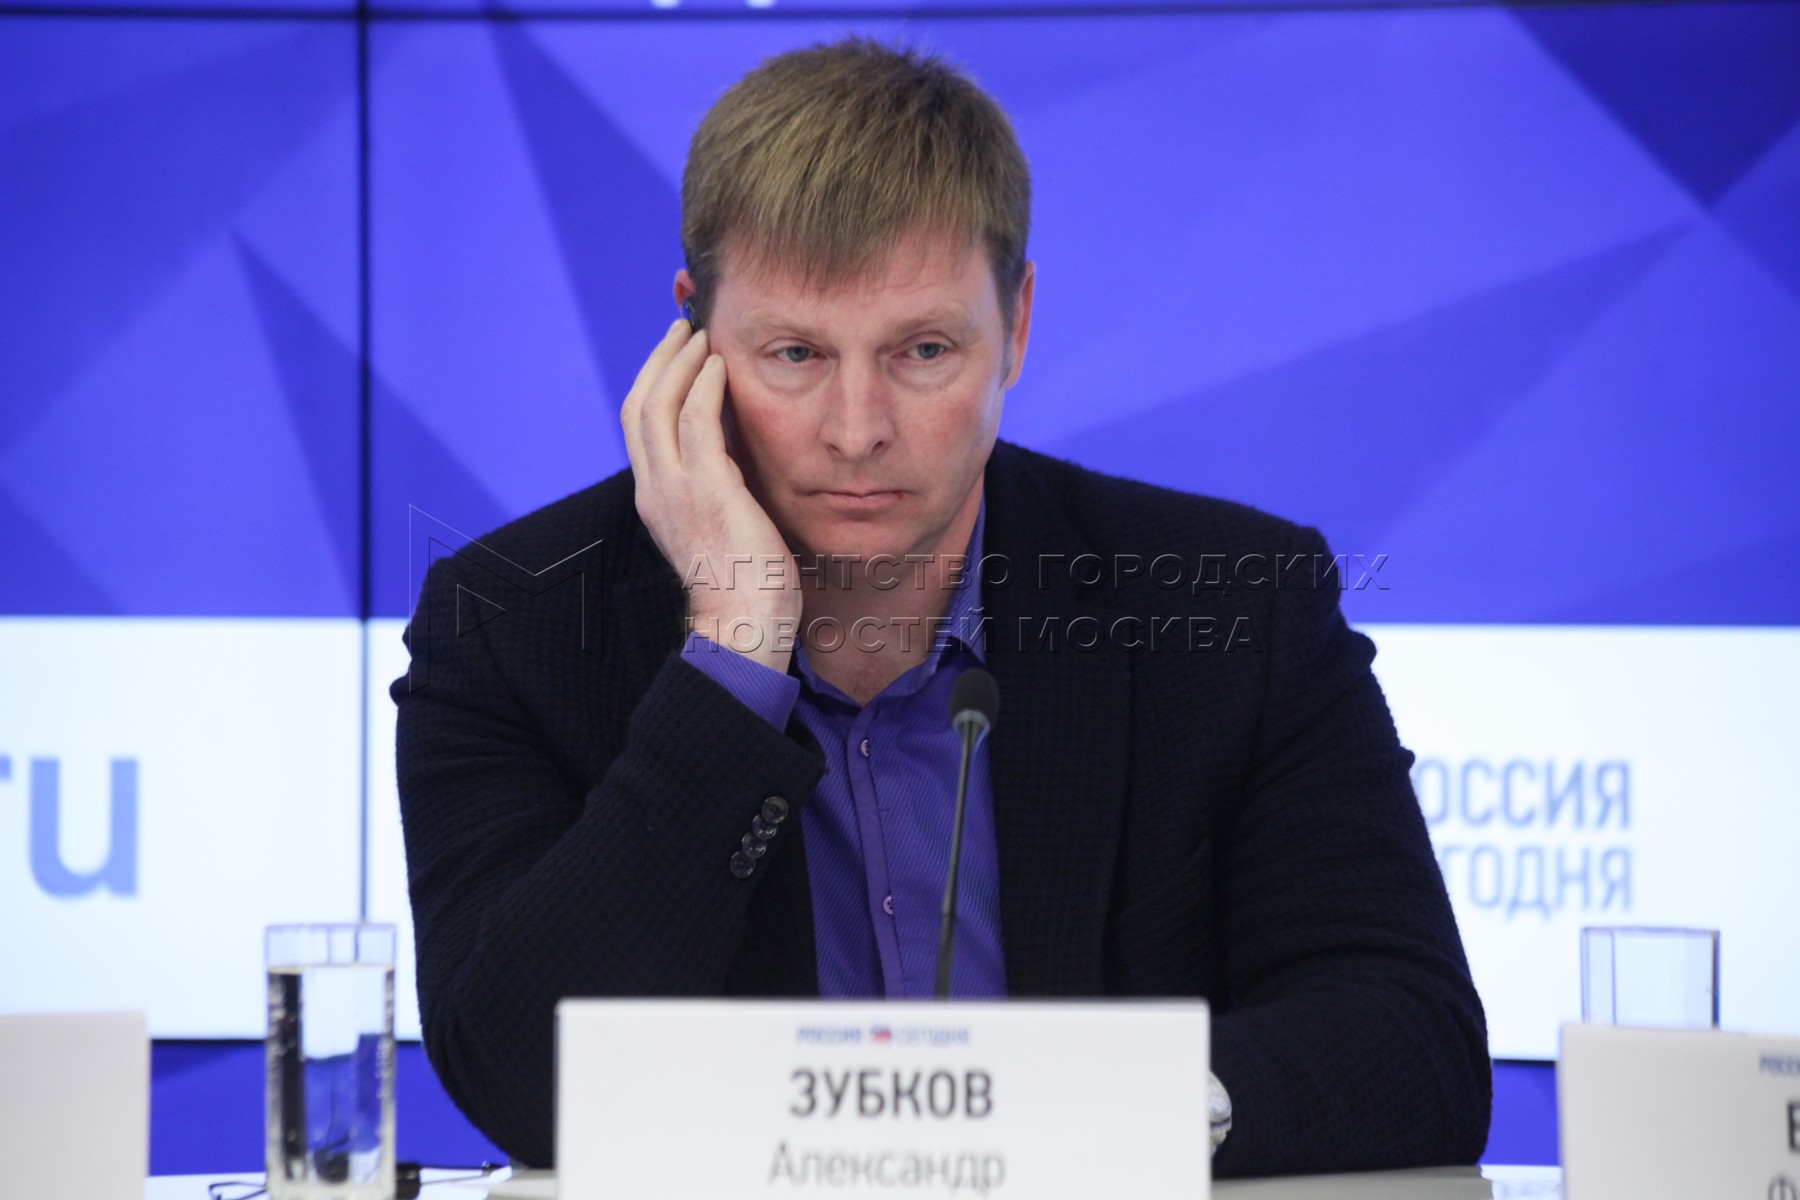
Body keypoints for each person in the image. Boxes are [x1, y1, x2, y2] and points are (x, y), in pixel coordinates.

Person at [391, 37, 1490, 1178]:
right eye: (795, 353)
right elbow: (525, 1084)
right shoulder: (510, 623)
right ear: (693, 336)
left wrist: (1066, 1125)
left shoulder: (1236, 604)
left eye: (922, 350)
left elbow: (1416, 1050)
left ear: (1017, 325)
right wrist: (730, 657)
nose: (857, 429)